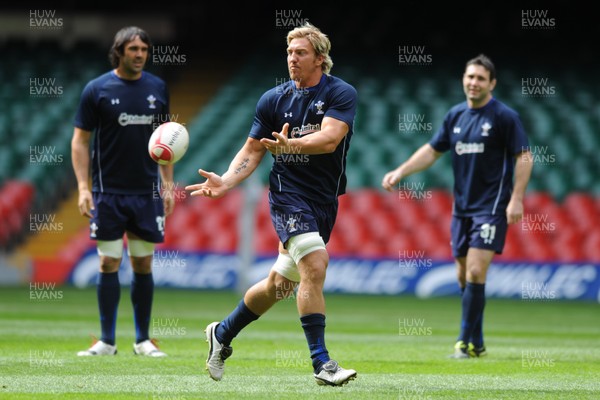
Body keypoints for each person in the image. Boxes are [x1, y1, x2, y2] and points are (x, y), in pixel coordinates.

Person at [185, 22, 357, 386]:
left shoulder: (341, 93)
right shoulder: (272, 99)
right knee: (315, 263)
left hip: (324, 200)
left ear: (320, 59)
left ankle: (223, 333)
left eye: (301, 53)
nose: (292, 58)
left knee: (279, 286)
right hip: (287, 194)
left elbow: (329, 139)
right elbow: (253, 149)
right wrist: (227, 180)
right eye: (290, 52)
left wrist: (292, 145)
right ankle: (322, 363)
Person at [382, 54, 533, 358]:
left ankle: (463, 342)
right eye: (469, 76)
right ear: (463, 79)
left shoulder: (504, 117)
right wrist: (401, 171)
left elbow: (524, 156)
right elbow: (432, 150)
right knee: (464, 276)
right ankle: (477, 342)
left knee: (477, 271)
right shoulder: (455, 116)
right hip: (461, 209)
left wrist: (516, 198)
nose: (473, 82)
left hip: (491, 207)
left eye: (480, 78)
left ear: (491, 83)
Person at [71, 26, 174, 357]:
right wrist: (84, 187)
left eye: (144, 48)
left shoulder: (157, 88)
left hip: (145, 193)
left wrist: (168, 183)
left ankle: (143, 340)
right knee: (107, 263)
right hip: (107, 193)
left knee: (143, 264)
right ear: (120, 52)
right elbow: (80, 140)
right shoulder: (97, 89)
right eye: (133, 49)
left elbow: (166, 141)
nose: (140, 54)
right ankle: (107, 341)